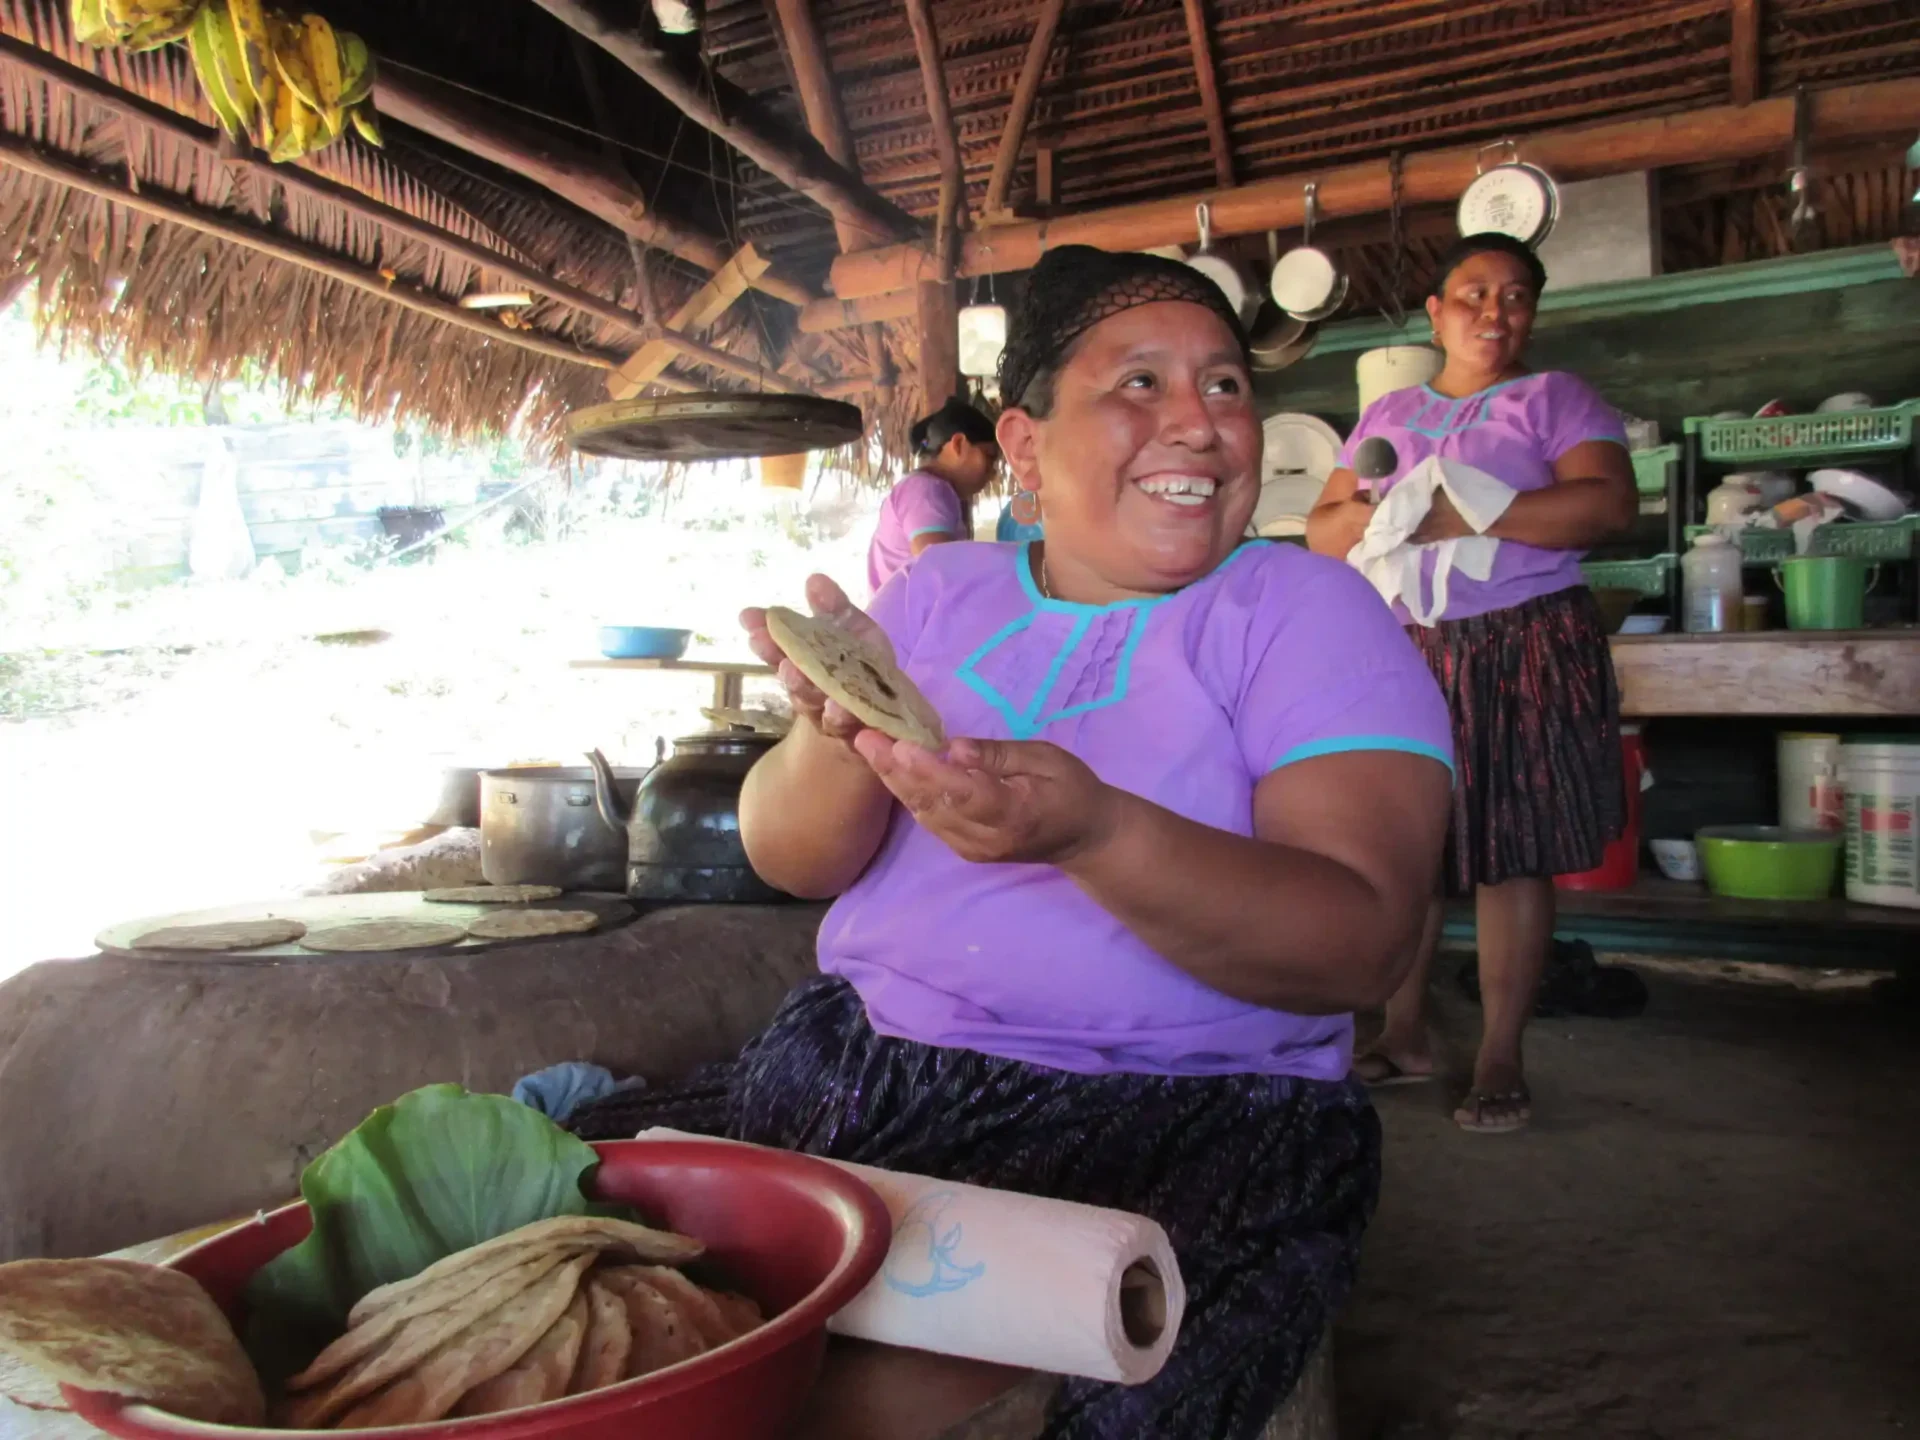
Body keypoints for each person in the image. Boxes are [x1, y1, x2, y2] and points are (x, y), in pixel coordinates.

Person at [571, 246, 1454, 1438]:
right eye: (1139, 384)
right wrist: (840, 727)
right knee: (584, 1296)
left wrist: (1092, 831)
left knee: (866, 1400)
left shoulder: (1301, 611)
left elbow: (1362, 944)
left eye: (1228, 386)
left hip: (1183, 1121)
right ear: (1026, 444)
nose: (1199, 422)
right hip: (856, 1074)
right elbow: (795, 861)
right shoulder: (940, 597)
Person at [1305, 232, 1637, 1135]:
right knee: (1413, 843)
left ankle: (1499, 1055)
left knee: (1511, 844)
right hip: (1408, 643)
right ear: (1438, 313)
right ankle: (1405, 1033)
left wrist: (1463, 510)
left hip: (1528, 638)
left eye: (1517, 295)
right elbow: (1324, 531)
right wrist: (1379, 510)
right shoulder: (1389, 415)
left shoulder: (1555, 399)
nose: (1497, 311)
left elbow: (1607, 504)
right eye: (1475, 294)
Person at [866, 396, 1000, 594]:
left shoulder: (932, 490)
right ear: (958, 444)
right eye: (988, 456)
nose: (993, 472)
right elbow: (938, 573)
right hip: (906, 623)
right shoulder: (926, 491)